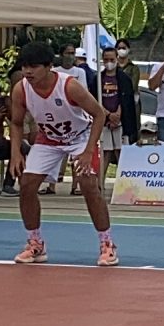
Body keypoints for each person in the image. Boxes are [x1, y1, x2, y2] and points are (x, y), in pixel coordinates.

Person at [9, 41, 117, 266]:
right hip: (49, 139)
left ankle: (107, 244)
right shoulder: (21, 88)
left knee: (88, 185)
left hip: (80, 136)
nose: (28, 71)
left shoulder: (69, 86)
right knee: (27, 185)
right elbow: (16, 123)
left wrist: (88, 151)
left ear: (49, 67)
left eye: (34, 66)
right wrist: (15, 153)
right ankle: (35, 243)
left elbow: (98, 114)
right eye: (24, 66)